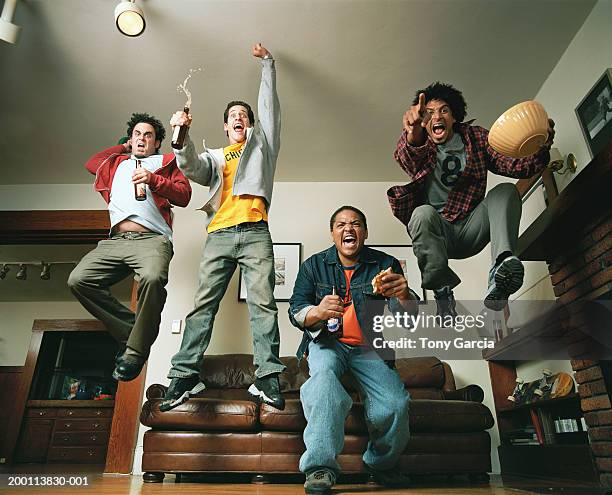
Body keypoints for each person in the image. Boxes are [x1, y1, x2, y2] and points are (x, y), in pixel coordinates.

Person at [160, 43, 286, 412]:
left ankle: (267, 376)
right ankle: (184, 376)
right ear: (224, 124)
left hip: (255, 232)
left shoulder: (263, 146)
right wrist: (179, 137)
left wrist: (269, 65)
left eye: (244, 114)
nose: (239, 118)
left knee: (263, 304)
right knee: (203, 306)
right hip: (218, 235)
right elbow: (192, 170)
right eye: (233, 114)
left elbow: (268, 109)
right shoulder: (215, 156)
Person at [387, 82, 555, 315]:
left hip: (471, 228)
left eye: (444, 110)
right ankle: (443, 292)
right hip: (439, 236)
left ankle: (501, 269)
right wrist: (414, 132)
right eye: (429, 113)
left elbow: (515, 167)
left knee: (506, 190)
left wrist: (541, 148)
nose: (437, 116)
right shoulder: (421, 143)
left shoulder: (476, 137)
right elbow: (406, 158)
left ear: (454, 116)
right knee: (421, 213)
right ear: (424, 121)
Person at [288, 206, 416, 494]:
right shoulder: (313, 265)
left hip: (369, 348)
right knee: (322, 385)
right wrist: (317, 312)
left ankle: (381, 464)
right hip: (326, 344)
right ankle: (320, 468)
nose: (349, 229)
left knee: (395, 404)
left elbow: (408, 320)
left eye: (356, 223)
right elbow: (295, 311)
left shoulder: (386, 264)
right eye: (342, 224)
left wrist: (405, 296)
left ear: (365, 232)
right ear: (333, 234)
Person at [68, 113, 192, 381]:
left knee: (152, 277)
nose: (141, 139)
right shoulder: (117, 164)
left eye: (148, 135)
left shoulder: (166, 162)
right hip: (115, 241)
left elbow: (184, 195)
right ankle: (133, 330)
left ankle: (135, 352)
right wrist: (122, 147)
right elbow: (91, 163)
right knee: (79, 280)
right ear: (130, 138)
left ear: (157, 142)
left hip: (151, 240)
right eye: (137, 134)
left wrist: (153, 179)